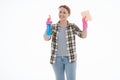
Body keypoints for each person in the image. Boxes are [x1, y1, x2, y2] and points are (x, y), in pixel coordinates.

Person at [43, 5, 87, 80]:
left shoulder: (72, 26)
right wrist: (48, 28)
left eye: (64, 12)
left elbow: (83, 36)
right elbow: (46, 38)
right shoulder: (54, 27)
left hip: (70, 58)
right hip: (56, 59)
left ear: (68, 14)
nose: (62, 14)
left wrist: (85, 26)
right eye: (60, 12)